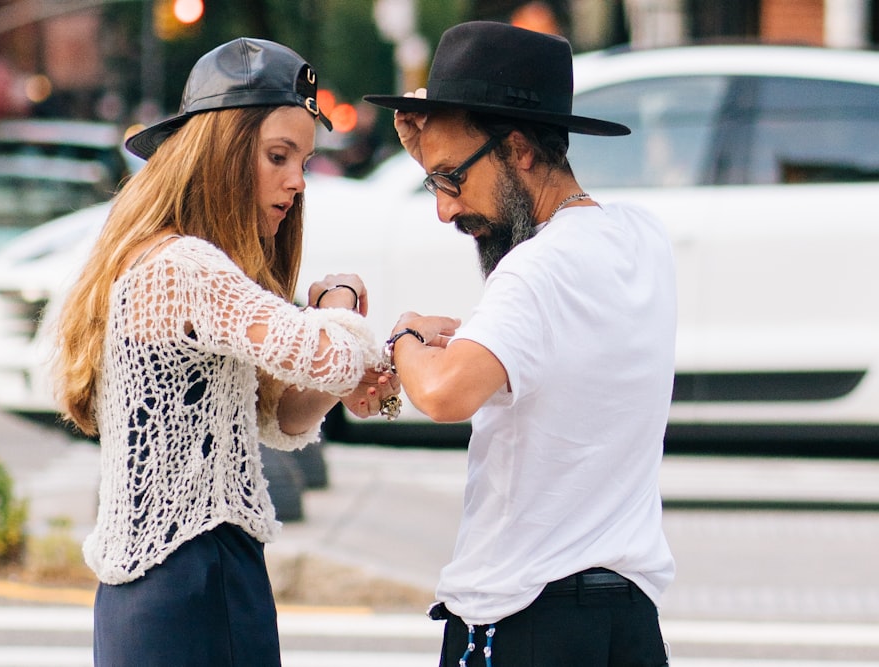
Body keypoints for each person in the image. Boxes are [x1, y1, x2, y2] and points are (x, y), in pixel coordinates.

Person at [53, 37, 399, 666]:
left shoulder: (168, 259)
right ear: (222, 152)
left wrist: (354, 354)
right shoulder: (184, 266)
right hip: (195, 578)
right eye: (278, 156)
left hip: (171, 586)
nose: (297, 181)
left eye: (302, 160)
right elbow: (328, 356)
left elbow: (283, 415)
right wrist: (343, 304)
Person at [364, 20, 676, 666]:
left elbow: (444, 392)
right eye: (434, 182)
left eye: (452, 177)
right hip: (628, 618)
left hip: (525, 616)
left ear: (521, 150)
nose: (445, 210)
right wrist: (436, 151)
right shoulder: (641, 239)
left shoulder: (537, 269)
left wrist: (408, 336)